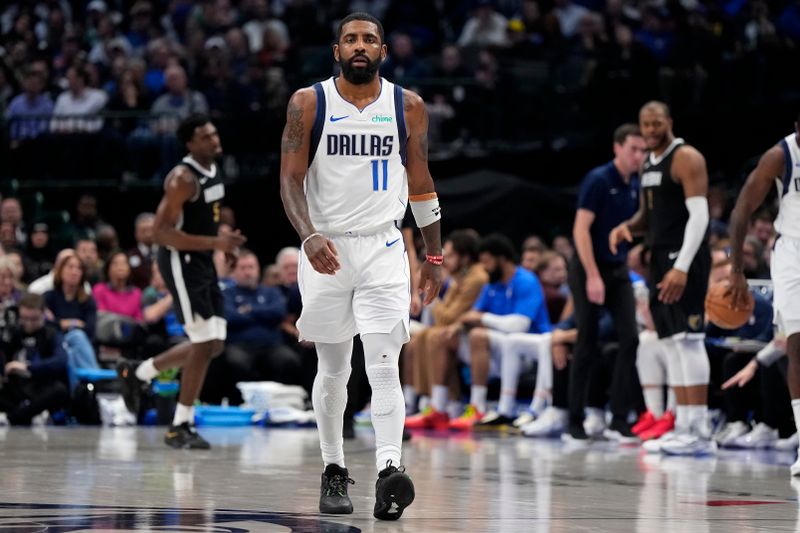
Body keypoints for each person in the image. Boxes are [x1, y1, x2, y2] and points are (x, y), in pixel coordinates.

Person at [279, 12, 442, 520]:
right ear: (336, 50)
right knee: (334, 367)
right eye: (350, 38)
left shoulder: (407, 106)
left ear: (383, 51)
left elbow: (421, 183)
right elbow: (289, 181)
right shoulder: (309, 103)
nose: (359, 46)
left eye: (368, 39)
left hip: (384, 248)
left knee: (384, 362)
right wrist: (307, 236)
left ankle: (390, 469)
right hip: (325, 247)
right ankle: (333, 468)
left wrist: (433, 255)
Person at [117, 114, 246, 449]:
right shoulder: (182, 179)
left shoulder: (215, 168)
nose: (214, 141)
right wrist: (216, 244)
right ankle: (179, 425)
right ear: (190, 143)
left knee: (214, 344)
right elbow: (161, 234)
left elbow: (206, 218)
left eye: (215, 133)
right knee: (203, 343)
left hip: (202, 257)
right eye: (206, 137)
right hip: (179, 260)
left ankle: (139, 372)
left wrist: (222, 239)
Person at [610, 101, 714, 455]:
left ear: (669, 121)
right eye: (645, 124)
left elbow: (700, 217)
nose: (651, 129)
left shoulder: (686, 158)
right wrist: (629, 227)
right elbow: (648, 212)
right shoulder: (649, 163)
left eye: (657, 123)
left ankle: (700, 430)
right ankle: (683, 425)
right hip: (659, 260)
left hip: (684, 260)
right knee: (671, 342)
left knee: (689, 339)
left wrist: (682, 266)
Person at [726, 112, 800, 474]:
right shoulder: (780, 155)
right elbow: (742, 209)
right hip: (793, 253)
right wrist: (736, 270)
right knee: (797, 344)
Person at [568, 123, 646, 442]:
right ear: (617, 147)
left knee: (630, 339)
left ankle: (618, 418)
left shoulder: (636, 185)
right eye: (633, 149)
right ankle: (575, 420)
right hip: (589, 266)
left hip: (618, 268)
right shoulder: (599, 180)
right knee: (586, 341)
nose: (638, 156)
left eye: (643, 151)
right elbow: (581, 230)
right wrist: (592, 276)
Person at [0, 293, 70, 425]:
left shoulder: (51, 333)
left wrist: (28, 367)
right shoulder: (14, 332)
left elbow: (61, 360)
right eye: (25, 318)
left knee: (59, 390)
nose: (29, 323)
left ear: (43, 314)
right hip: (16, 387)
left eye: (34, 319)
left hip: (41, 385)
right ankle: (26, 414)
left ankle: (13, 418)